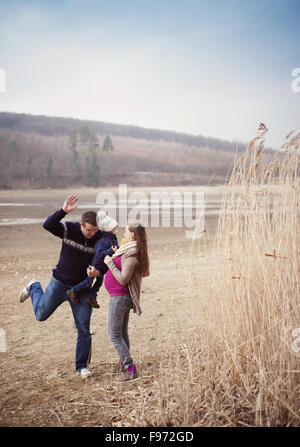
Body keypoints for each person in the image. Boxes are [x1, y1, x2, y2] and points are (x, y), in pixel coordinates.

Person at [18, 194, 103, 378]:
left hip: (81, 289)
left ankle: (82, 367)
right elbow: (48, 225)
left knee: (84, 328)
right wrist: (63, 211)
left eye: (95, 230)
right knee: (40, 315)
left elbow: (107, 257)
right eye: (89, 230)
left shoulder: (99, 238)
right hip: (59, 284)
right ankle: (34, 287)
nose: (92, 234)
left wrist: (98, 272)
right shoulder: (69, 229)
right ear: (82, 225)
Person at [87, 222, 150, 383]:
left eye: (125, 232)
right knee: (121, 333)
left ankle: (131, 370)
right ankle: (124, 364)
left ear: (133, 235)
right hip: (118, 297)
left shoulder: (132, 254)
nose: (122, 235)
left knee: (114, 334)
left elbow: (123, 279)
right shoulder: (128, 250)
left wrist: (109, 262)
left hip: (120, 297)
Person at [67, 211, 119, 309]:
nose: (117, 231)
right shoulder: (103, 241)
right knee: (88, 281)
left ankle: (92, 296)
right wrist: (110, 251)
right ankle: (73, 291)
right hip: (97, 265)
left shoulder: (112, 239)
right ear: (110, 230)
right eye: (115, 229)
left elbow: (116, 249)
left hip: (103, 266)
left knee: (99, 282)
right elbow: (99, 253)